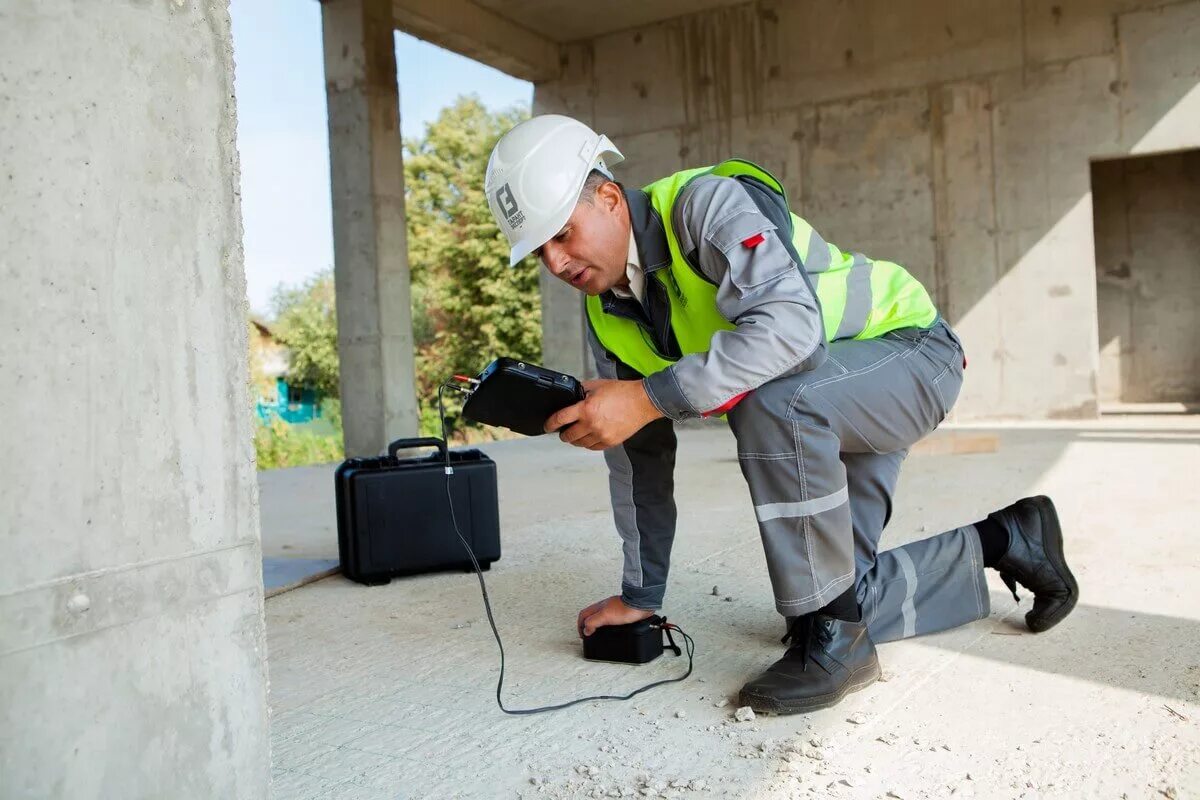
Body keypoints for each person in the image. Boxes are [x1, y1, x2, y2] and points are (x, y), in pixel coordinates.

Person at [483, 114, 1078, 714]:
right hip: (825, 398)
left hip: (909, 353)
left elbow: (793, 331)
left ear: (610, 198)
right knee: (840, 596)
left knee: (772, 404)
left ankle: (838, 649)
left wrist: (645, 397)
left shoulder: (704, 207)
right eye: (539, 251)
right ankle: (1011, 538)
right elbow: (638, 463)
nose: (556, 263)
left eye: (562, 234)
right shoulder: (607, 314)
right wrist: (641, 596)